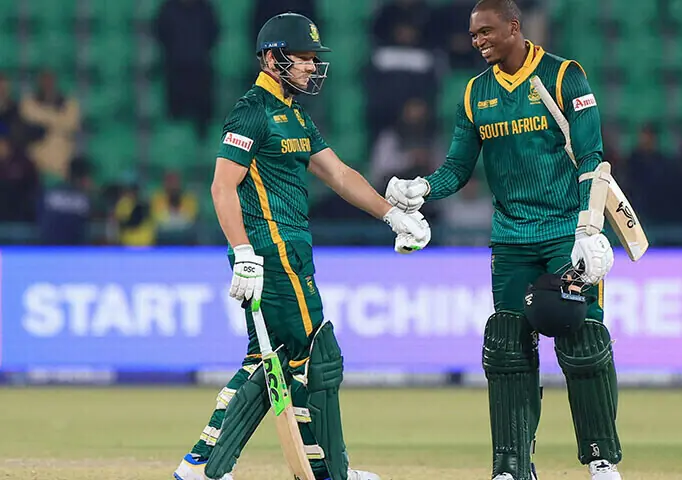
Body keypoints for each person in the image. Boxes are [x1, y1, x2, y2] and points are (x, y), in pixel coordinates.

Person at [173, 12, 430, 480]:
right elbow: (221, 187)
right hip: (272, 251)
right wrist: (245, 254)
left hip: (288, 249)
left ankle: (200, 465)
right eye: (304, 58)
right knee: (319, 356)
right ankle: (333, 470)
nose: (313, 67)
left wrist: (392, 216)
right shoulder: (251, 110)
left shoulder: (294, 115)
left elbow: (339, 174)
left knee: (263, 361)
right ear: (273, 59)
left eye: (315, 59)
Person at [384, 1, 621, 479]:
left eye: (486, 32)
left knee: (582, 338)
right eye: (473, 35)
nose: (478, 41)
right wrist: (423, 188)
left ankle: (600, 460)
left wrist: (588, 228)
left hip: (565, 234)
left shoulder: (564, 77)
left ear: (515, 27)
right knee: (508, 344)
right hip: (511, 237)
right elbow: (457, 168)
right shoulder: (474, 94)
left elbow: (592, 158)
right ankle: (512, 466)